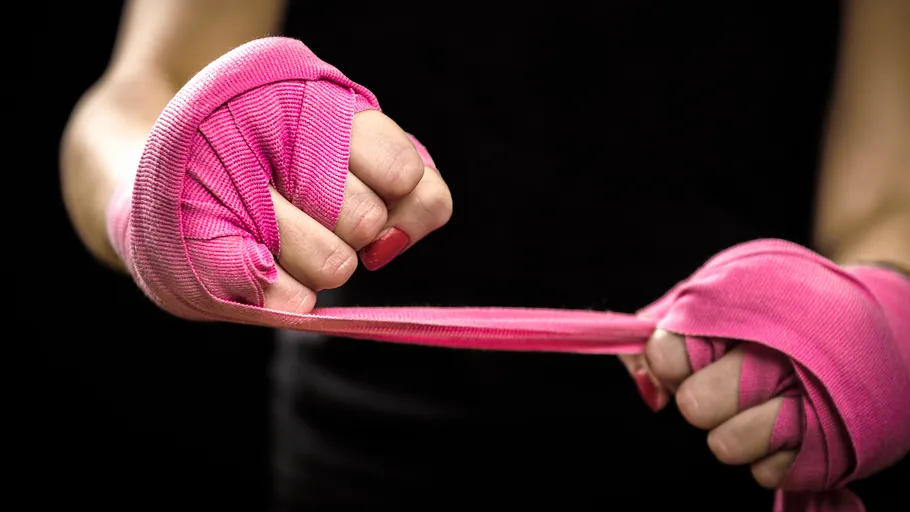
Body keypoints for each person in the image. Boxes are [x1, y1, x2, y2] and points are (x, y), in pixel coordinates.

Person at [60, 0, 908, 510]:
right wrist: (155, 190)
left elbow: (888, 203)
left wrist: (881, 314)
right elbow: (133, 91)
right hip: (358, 454)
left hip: (739, 434)